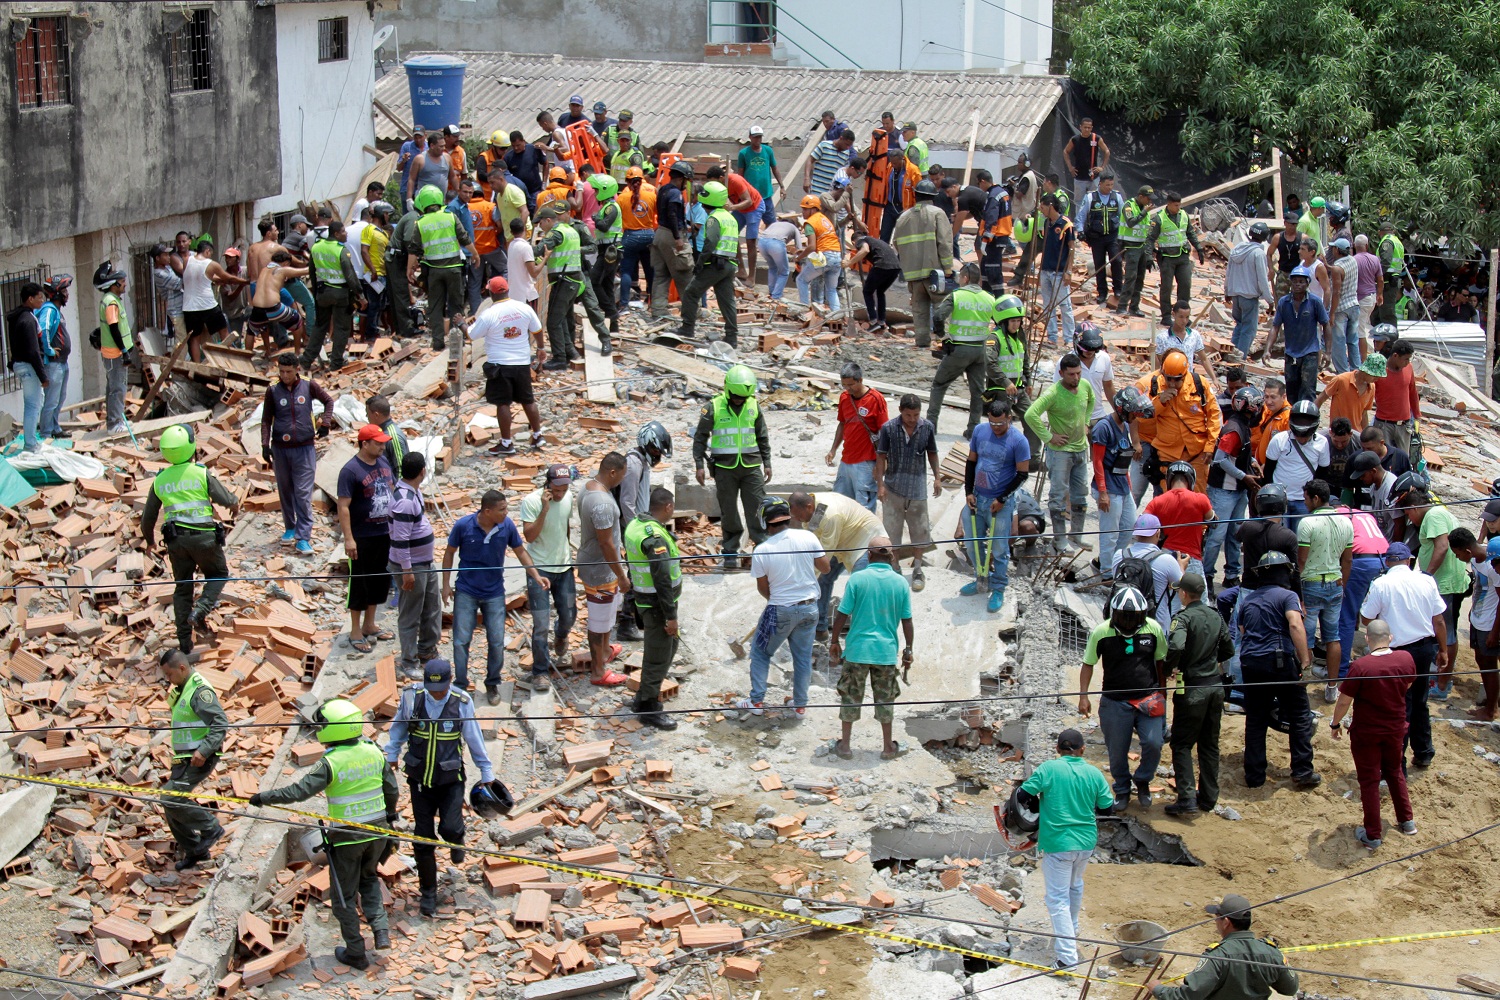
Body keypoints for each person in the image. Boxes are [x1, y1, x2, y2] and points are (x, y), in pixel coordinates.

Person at [249, 699, 399, 969]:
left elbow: (298, 792)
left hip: (347, 838)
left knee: (343, 896)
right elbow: (391, 790)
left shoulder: (331, 762)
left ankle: (356, 952)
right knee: (369, 880)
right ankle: (381, 932)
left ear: (333, 730)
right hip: (378, 833)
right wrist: (389, 819)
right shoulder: (374, 750)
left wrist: (263, 797)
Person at [383, 657, 493, 914]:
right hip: (420, 780)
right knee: (423, 838)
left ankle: (457, 839)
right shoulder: (412, 698)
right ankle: (428, 893)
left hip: (450, 780)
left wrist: (486, 771)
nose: (436, 694)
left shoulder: (462, 702)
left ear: (450, 682)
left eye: (441, 689)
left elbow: (473, 738)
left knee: (450, 827)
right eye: (432, 689)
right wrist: (391, 754)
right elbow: (399, 728)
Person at [1019, 728, 1114, 971]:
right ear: (1082, 749)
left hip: (1059, 843)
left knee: (1057, 898)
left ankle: (1067, 959)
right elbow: (1107, 807)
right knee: (1075, 886)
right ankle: (1072, 929)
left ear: (1057, 750)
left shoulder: (1050, 769)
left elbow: (1023, 794)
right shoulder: (1094, 773)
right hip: (1085, 843)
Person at [442, 490, 547, 701]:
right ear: (487, 511)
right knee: (461, 641)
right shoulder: (463, 526)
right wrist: (445, 585)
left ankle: (492, 683)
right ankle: (460, 684)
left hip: (494, 593)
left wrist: (536, 575)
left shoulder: (505, 526)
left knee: (497, 640)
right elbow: (449, 552)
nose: (506, 513)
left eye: (506, 508)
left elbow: (520, 552)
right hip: (466, 591)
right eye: (502, 509)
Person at [143, 424, 238, 654]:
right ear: (191, 446)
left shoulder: (160, 480)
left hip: (177, 542)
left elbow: (148, 517)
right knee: (218, 574)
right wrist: (234, 504)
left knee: (183, 588)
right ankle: (201, 610)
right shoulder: (200, 472)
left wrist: (149, 541)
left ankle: (185, 642)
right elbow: (226, 498)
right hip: (205, 539)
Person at [736, 496, 830, 716]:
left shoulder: (762, 549)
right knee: (803, 658)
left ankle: (756, 702)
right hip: (810, 608)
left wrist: (779, 599)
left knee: (760, 652)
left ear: (765, 521)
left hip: (780, 609)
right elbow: (825, 568)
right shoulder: (808, 537)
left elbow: (763, 589)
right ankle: (799, 705)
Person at [1079, 586, 1169, 811]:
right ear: (1114, 613)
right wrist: (1083, 695)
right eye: (1124, 617)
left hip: (1147, 699)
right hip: (1115, 701)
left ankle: (1143, 780)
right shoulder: (1102, 632)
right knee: (1117, 749)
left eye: (1133, 618)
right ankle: (1122, 788)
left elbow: (1160, 664)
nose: (1128, 623)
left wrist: (1162, 693)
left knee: (1154, 742)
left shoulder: (1153, 629)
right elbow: (1088, 664)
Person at [1329, 620, 1417, 849]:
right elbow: (1407, 685)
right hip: (1395, 728)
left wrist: (1335, 724)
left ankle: (1373, 834)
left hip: (1367, 732)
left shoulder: (1361, 666)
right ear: (1390, 637)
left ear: (1367, 639)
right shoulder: (1406, 659)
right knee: (1395, 771)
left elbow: (1344, 701)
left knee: (1369, 781)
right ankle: (1407, 821)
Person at [1238, 551, 1321, 789]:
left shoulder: (1249, 600)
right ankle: (1302, 772)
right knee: (1299, 714)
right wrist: (1304, 660)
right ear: (1285, 572)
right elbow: (1295, 624)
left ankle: (1254, 776)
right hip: (1279, 661)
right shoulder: (1288, 596)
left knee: (1255, 719)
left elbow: (1244, 631)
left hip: (1251, 663)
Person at [1360, 541, 1446, 768]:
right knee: (1420, 701)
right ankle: (1424, 751)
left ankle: (1398, 758)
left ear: (1388, 562)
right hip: (1424, 648)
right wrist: (1444, 650)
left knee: (1400, 705)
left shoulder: (1381, 583)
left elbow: (1366, 618)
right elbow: (1439, 620)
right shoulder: (1426, 580)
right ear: (1408, 561)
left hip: (1398, 652)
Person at [829, 536, 914, 759]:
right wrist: (908, 650)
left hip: (857, 651)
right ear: (892, 556)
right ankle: (888, 747)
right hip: (885, 653)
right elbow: (907, 621)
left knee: (850, 696)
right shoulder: (900, 582)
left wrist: (834, 641)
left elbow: (842, 613)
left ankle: (845, 747)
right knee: (885, 699)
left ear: (868, 555)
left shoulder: (857, 579)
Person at [1164, 573, 1233, 816]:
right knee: (1209, 744)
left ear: (1184, 593)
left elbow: (1176, 646)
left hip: (1192, 688)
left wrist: (1170, 667)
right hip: (1215, 687)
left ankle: (1186, 800)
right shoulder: (1215, 616)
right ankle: (1208, 798)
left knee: (1182, 743)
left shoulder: (1182, 618)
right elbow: (1228, 648)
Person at [155, 648, 229, 870]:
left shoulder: (199, 691)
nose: (168, 680)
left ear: (182, 668)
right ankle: (195, 850)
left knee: (170, 798)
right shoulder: (182, 687)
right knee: (169, 802)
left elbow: (220, 723)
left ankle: (211, 828)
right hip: (184, 758)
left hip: (199, 758)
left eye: (169, 675)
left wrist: (204, 750)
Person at [1145, 895, 1300, 999]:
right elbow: (1290, 988)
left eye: (1217, 918)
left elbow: (1189, 996)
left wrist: (1158, 989)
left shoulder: (1217, 955)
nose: (1215, 922)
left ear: (1226, 922)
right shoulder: (1272, 952)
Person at [693, 365, 771, 569]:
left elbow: (762, 436)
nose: (739, 400)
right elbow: (700, 437)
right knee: (729, 511)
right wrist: (699, 465)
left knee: (757, 508)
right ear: (727, 390)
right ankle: (730, 550)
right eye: (736, 396)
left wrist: (768, 463)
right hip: (724, 468)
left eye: (743, 397)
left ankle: (761, 548)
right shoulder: (713, 407)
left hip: (751, 466)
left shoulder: (754, 405)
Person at [960, 400, 1032, 612]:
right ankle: (981, 578)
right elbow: (971, 461)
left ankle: (999, 586)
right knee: (972, 543)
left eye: (1000, 424)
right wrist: (968, 492)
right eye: (992, 423)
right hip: (978, 499)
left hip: (1000, 503)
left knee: (1000, 549)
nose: (995, 428)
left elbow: (1022, 474)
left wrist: (1001, 499)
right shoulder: (980, 431)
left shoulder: (1019, 441)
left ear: (1009, 418)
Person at [622, 487, 683, 730]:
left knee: (669, 647)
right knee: (658, 657)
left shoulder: (637, 524)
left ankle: (645, 696)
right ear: (668, 507)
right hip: (657, 605)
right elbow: (662, 578)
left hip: (646, 601)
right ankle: (648, 707)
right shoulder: (654, 537)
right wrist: (671, 616)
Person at [261, 354, 334, 554]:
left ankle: (303, 537)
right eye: (281, 371)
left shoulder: (309, 386)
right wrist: (264, 445)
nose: (285, 375)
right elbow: (266, 419)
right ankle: (290, 527)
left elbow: (329, 401)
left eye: (288, 372)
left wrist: (325, 423)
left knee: (302, 494)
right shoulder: (273, 390)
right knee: (285, 490)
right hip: (280, 449)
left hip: (305, 448)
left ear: (297, 369)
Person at [1400, 488, 1467, 700]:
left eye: (1408, 515)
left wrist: (1426, 576)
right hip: (1446, 582)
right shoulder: (1437, 514)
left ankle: (1443, 683)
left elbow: (1442, 546)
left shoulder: (1434, 515)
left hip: (1445, 583)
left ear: (1413, 508)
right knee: (1442, 632)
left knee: (1446, 633)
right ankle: (1440, 678)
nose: (1409, 520)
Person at [1026, 353, 1096, 553]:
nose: (1076, 378)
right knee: (1057, 495)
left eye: (1078, 373)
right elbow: (1031, 414)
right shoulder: (1053, 393)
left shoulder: (1084, 386)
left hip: (1080, 450)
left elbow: (1091, 402)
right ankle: (1060, 539)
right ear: (1061, 373)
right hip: (1060, 453)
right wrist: (1048, 437)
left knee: (1081, 494)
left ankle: (1076, 536)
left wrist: (1086, 422)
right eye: (1071, 374)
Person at [470, 275, 545, 456]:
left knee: (503, 403)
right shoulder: (523, 308)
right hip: (521, 363)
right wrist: (541, 348)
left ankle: (506, 443)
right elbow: (537, 329)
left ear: (490, 292)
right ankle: (537, 435)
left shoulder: (489, 314)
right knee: (528, 400)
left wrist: (462, 324)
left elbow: (472, 335)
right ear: (507, 290)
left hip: (500, 365)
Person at [517, 465, 577, 691]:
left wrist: (569, 552)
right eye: (557, 488)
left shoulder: (569, 497)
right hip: (539, 568)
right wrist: (544, 509)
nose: (560, 493)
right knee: (540, 623)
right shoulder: (531, 502)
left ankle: (561, 636)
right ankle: (540, 671)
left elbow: (566, 527)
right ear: (548, 484)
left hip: (564, 567)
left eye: (564, 488)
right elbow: (530, 535)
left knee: (570, 614)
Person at [338, 425, 396, 655]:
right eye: (378, 443)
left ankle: (369, 624)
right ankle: (355, 630)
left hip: (384, 534)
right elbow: (343, 507)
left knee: (379, 581)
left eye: (383, 443)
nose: (382, 447)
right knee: (359, 583)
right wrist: (348, 538)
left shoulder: (383, 464)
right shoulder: (350, 470)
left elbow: (392, 491)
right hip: (362, 536)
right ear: (365, 443)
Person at [928, 265, 1005, 435]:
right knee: (977, 391)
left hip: (959, 350)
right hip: (981, 350)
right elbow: (1002, 321)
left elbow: (939, 316)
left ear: (965, 278)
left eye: (960, 277)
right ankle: (973, 429)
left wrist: (943, 337)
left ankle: (931, 425)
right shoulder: (989, 298)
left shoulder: (956, 295)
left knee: (939, 385)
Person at [575, 455, 632, 684]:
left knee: (607, 614)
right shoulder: (602, 503)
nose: (623, 478)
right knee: (598, 623)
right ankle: (598, 672)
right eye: (622, 473)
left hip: (601, 566)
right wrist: (621, 575)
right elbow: (606, 543)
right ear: (612, 472)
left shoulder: (589, 487)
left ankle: (605, 653)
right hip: (600, 569)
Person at [875, 395, 941, 591]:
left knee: (920, 531)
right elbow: (881, 457)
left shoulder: (927, 427)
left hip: (917, 488)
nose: (912, 419)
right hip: (893, 488)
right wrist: (880, 484)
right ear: (901, 411)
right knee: (892, 531)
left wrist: (937, 477)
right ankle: (894, 568)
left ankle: (918, 568)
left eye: (916, 414)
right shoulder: (888, 428)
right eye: (908, 415)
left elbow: (933, 453)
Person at [1295, 479, 1353, 702]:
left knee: (1306, 637)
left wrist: (1297, 591)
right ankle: (1332, 686)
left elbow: (1302, 559)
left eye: (1306, 498)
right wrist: (1342, 585)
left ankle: (1305, 683)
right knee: (1333, 637)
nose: (1305, 502)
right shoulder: (1346, 522)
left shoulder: (1308, 523)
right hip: (1335, 583)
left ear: (1315, 499)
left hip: (1311, 584)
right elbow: (1347, 560)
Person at [1202, 386, 1264, 591]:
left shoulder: (1242, 426)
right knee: (1216, 536)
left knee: (1236, 534)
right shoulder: (1234, 430)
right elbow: (1220, 460)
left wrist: (1251, 461)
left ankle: (1231, 574)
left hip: (1237, 490)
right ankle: (1207, 576)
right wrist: (1244, 476)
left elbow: (1237, 455)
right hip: (1224, 491)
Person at [387, 453, 441, 681]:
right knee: (410, 615)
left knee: (432, 608)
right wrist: (407, 571)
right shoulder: (405, 501)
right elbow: (400, 539)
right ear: (422, 472)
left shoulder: (412, 491)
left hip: (424, 563)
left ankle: (426, 649)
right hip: (412, 567)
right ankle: (408, 662)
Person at [1139, 348, 1222, 494]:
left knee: (1196, 499)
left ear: (1185, 374)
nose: (1171, 383)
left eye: (1176, 379)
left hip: (1196, 453)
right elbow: (1141, 419)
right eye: (1168, 378)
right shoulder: (1155, 385)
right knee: (1170, 500)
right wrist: (1159, 403)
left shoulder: (1199, 384)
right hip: (1167, 453)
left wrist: (1210, 446)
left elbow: (1214, 415)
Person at [1334, 482, 1390, 687]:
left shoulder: (1335, 515)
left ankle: (1340, 670)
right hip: (1384, 559)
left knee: (1346, 616)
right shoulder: (1363, 514)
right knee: (1382, 614)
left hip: (1361, 562)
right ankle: (1384, 663)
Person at [1091, 387, 1152, 578]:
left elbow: (1124, 461)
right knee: (1109, 533)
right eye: (1132, 412)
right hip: (1109, 487)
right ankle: (1107, 573)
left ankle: (1109, 562)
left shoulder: (1124, 426)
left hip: (1122, 485)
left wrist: (1129, 487)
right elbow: (1098, 460)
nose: (1135, 416)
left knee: (1128, 528)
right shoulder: (1104, 427)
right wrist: (1103, 492)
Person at [406, 184, 473, 352]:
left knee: (435, 306)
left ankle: (437, 342)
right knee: (456, 305)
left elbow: (413, 249)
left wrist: (410, 269)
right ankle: (456, 340)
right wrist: (476, 255)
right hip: (454, 268)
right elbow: (464, 237)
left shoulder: (420, 223)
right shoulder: (450, 216)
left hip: (434, 271)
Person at [674, 180, 740, 345]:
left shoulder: (713, 219)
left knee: (691, 293)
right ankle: (732, 337)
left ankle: (687, 328)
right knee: (727, 301)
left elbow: (710, 242)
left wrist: (700, 263)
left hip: (715, 264)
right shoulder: (730, 218)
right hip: (729, 264)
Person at [891, 179, 953, 349]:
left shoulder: (903, 217)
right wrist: (948, 268)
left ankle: (922, 341)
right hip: (935, 273)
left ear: (915, 195)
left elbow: (896, 243)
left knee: (919, 310)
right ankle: (945, 340)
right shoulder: (937, 214)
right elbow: (945, 242)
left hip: (913, 274)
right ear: (933, 196)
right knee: (942, 307)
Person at [826, 362, 887, 513]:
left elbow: (885, 433)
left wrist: (883, 463)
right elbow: (842, 424)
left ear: (860, 380)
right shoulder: (844, 397)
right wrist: (833, 449)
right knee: (839, 503)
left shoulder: (875, 399)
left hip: (866, 463)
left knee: (863, 509)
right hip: (846, 460)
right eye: (844, 385)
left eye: (851, 385)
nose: (847, 388)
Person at [1144, 460, 1215, 587]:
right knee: (1198, 603)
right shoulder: (1201, 499)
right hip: (1191, 559)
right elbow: (1213, 520)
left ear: (1169, 479)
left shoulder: (1157, 501)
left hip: (1165, 557)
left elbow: (1143, 524)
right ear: (1190, 479)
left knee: (1165, 601)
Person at [1263, 400, 1329, 528]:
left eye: (1305, 437)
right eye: (1299, 436)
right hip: (1280, 501)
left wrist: (1311, 499)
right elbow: (1268, 471)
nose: (1302, 439)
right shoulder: (1279, 440)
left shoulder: (1322, 443)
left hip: (1305, 502)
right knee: (1279, 539)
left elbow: (1322, 475)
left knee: (1302, 540)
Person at [1144, 191, 1205, 325]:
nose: (1178, 208)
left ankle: (1182, 316)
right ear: (1169, 204)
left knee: (1185, 285)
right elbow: (1150, 239)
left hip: (1183, 256)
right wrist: (1148, 256)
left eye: (1179, 205)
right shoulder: (1159, 218)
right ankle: (1166, 315)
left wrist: (1199, 248)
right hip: (1167, 258)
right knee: (1166, 287)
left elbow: (1190, 233)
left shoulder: (1183, 215)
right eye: (1176, 205)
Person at [1272, 266, 1331, 403]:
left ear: (1307, 283)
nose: (1298, 284)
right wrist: (1268, 349)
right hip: (1291, 353)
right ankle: (1292, 419)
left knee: (1308, 389)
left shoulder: (1315, 302)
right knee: (1291, 389)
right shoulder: (1284, 302)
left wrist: (1328, 352)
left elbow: (1326, 325)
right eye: (1295, 281)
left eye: (1301, 281)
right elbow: (1275, 327)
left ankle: (1306, 420)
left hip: (1310, 353)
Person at [1123, 513, 1189, 632]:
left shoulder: (1120, 555)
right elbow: (1184, 591)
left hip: (1123, 622)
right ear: (1158, 533)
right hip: (1155, 628)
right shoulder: (1167, 560)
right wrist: (1182, 567)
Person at [1460, 535, 1500, 721]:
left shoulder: (1494, 570)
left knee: (1489, 664)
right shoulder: (1480, 562)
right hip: (1479, 618)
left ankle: (1491, 709)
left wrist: (1494, 631)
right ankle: (1492, 703)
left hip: (1490, 623)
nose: (1494, 566)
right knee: (1482, 661)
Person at [92, 262, 135, 433]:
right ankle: (114, 424)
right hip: (115, 353)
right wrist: (124, 351)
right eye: (123, 282)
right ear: (114, 284)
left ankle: (116, 420)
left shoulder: (113, 300)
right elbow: (114, 328)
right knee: (117, 388)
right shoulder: (111, 302)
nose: (125, 284)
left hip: (114, 352)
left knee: (114, 388)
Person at [6, 282, 47, 452]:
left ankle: (32, 440)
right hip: (28, 366)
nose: (42, 300)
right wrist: (43, 376)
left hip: (20, 364)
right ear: (30, 299)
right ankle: (31, 445)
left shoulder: (17, 317)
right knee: (32, 405)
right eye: (39, 297)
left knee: (37, 401)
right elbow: (32, 351)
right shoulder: (28, 319)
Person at [1225, 220, 1276, 357]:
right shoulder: (1258, 254)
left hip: (1235, 295)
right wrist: (1270, 300)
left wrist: (1227, 291)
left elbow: (1228, 271)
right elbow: (1262, 279)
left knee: (1239, 326)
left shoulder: (1237, 249)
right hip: (1249, 298)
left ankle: (1231, 354)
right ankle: (1240, 357)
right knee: (1249, 330)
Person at [1075, 172, 1124, 305]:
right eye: (1107, 185)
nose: (1109, 187)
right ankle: (1102, 292)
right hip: (1096, 237)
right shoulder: (1091, 198)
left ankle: (1118, 289)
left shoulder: (1117, 197)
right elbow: (1081, 216)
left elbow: (1123, 217)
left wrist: (1123, 236)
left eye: (1111, 185)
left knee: (1117, 261)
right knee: (1099, 265)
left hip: (1112, 236)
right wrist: (1080, 231)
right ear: (1100, 184)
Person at [1036, 193, 1077, 346]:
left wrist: (1069, 271)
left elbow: (1071, 248)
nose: (1041, 210)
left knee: (1065, 306)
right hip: (1046, 270)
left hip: (1059, 272)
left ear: (1050, 206)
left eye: (1042, 207)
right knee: (1047, 305)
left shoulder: (1066, 224)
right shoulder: (1047, 223)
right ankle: (1052, 337)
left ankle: (1069, 338)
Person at [34, 274, 71, 441]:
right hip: (53, 364)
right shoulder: (49, 310)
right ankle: (46, 433)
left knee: (59, 398)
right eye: (64, 290)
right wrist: (49, 350)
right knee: (51, 400)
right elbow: (43, 330)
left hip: (62, 362)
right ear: (56, 293)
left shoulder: (56, 310)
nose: (67, 294)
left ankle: (55, 428)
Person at [845, 231, 902, 332]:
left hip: (882, 265)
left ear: (854, 242)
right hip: (896, 267)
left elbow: (865, 250)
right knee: (880, 292)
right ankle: (881, 321)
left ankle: (873, 321)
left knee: (867, 291)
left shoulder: (860, 241)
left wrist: (849, 262)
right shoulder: (875, 240)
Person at [587, 174, 622, 335]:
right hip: (605, 249)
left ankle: (611, 313)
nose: (594, 193)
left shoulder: (611, 207)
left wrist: (595, 218)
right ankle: (613, 324)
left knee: (594, 282)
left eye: (596, 190)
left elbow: (604, 226)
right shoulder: (606, 206)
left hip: (611, 250)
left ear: (605, 190)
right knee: (607, 285)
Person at [794, 194, 842, 311]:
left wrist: (799, 257)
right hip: (837, 256)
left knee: (801, 280)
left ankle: (804, 310)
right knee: (831, 289)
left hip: (825, 256)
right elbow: (822, 240)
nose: (803, 212)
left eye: (805, 209)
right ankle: (837, 315)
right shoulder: (823, 218)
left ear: (814, 209)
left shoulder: (810, 223)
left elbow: (811, 246)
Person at [1372, 337, 1420, 454]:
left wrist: (1417, 416)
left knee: (1404, 457)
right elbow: (1368, 394)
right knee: (1383, 456)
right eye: (1405, 359)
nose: (1408, 362)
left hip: (1404, 424)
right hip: (1384, 424)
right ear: (1395, 356)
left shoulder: (1408, 368)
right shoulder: (1380, 370)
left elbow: (1412, 392)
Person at [1155, 302, 1218, 388]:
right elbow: (1158, 364)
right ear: (1173, 315)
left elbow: (1204, 359)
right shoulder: (1162, 338)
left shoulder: (1194, 335)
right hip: (1171, 382)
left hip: (1188, 382)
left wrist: (1214, 378)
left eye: (1187, 317)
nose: (1184, 321)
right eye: (1181, 317)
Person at [1316, 353, 1383, 432]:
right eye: (1375, 375)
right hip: (1337, 432)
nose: (1376, 379)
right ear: (1366, 371)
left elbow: (1364, 413)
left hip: (1356, 433)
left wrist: (1365, 434)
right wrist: (1311, 419)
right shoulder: (1341, 380)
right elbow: (1320, 399)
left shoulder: (1371, 388)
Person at [1065, 325, 1115, 427]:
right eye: (1086, 348)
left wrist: (1119, 411)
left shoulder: (1104, 358)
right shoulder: (1066, 361)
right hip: (1074, 419)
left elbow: (1108, 386)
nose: (1090, 352)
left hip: (1098, 417)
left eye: (1093, 349)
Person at [1116, 185, 1154, 317]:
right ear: (1141, 196)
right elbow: (1131, 222)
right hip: (1131, 246)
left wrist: (1149, 255)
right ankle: (1122, 306)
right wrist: (1144, 212)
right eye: (1148, 198)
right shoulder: (1128, 206)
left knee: (1140, 278)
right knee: (1130, 277)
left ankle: (1134, 307)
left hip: (1141, 247)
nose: (1150, 201)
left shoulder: (1146, 209)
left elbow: (1148, 231)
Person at [1328, 238, 1363, 372]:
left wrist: (1332, 312)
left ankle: (1343, 372)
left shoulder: (1337, 268)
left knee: (1339, 342)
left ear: (1337, 250)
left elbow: (1336, 292)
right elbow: (1340, 270)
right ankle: (1356, 369)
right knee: (1353, 341)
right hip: (1354, 305)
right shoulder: (1353, 260)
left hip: (1341, 308)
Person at [1372, 221, 1404, 327]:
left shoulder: (1387, 242)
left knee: (1387, 314)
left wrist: (1377, 277)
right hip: (1392, 280)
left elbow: (1385, 262)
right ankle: (1382, 339)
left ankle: (1390, 341)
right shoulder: (1397, 241)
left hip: (1387, 281)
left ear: (1380, 232)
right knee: (1379, 313)